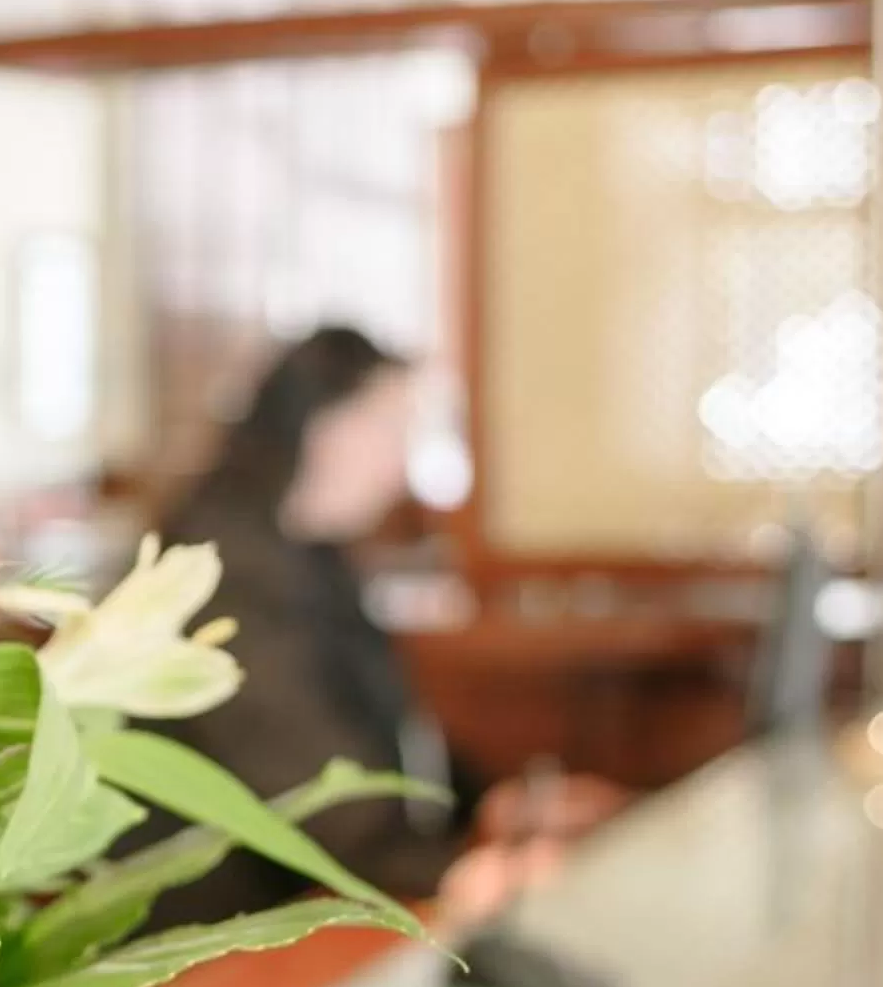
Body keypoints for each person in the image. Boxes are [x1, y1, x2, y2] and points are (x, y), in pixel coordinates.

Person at [159, 327, 616, 925]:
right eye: (391, 427)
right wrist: (451, 871)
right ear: (319, 425)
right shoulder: (222, 569)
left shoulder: (310, 552)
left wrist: (493, 801)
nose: (401, 465)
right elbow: (307, 789)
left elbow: (377, 727)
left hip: (310, 900)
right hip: (225, 926)